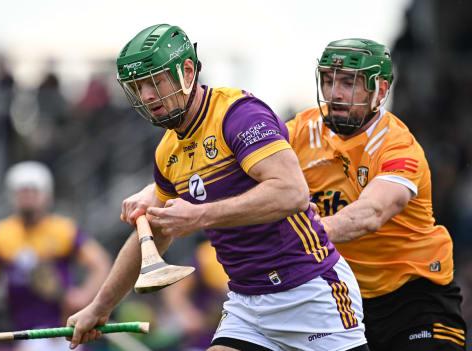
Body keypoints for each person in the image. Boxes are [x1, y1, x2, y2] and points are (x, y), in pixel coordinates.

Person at [66, 24, 369, 351]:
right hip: (247, 304)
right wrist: (99, 308)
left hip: (309, 291)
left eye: (153, 82)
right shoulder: (168, 152)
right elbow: (152, 234)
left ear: (185, 72)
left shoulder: (238, 115)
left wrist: (199, 216)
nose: (147, 96)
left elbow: (292, 193)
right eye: (137, 87)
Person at [285, 38, 466, 350]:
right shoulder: (302, 129)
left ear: (380, 91)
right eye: (328, 80)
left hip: (415, 297)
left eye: (348, 82)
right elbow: (252, 160)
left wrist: (304, 233)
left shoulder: (398, 146)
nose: (335, 94)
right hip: (341, 299)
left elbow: (371, 213)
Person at [0, 161, 110, 351]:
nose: (27, 197)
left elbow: (100, 263)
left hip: (62, 330)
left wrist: (83, 296)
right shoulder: (0, 233)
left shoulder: (63, 229)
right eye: (22, 191)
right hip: (22, 331)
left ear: (46, 194)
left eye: (33, 191)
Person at [161, 239, 229, 351]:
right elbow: (175, 290)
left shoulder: (261, 252)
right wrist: (188, 315)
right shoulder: (210, 253)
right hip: (205, 340)